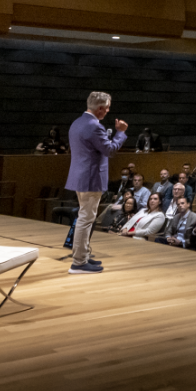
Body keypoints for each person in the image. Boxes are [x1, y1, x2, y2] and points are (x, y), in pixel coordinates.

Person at [65, 91, 129, 273]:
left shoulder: (77, 123)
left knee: (85, 217)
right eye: (107, 108)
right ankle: (78, 262)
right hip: (91, 178)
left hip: (80, 176)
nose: (108, 111)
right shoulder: (94, 127)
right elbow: (110, 150)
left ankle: (83, 256)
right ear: (100, 108)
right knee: (86, 219)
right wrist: (120, 133)